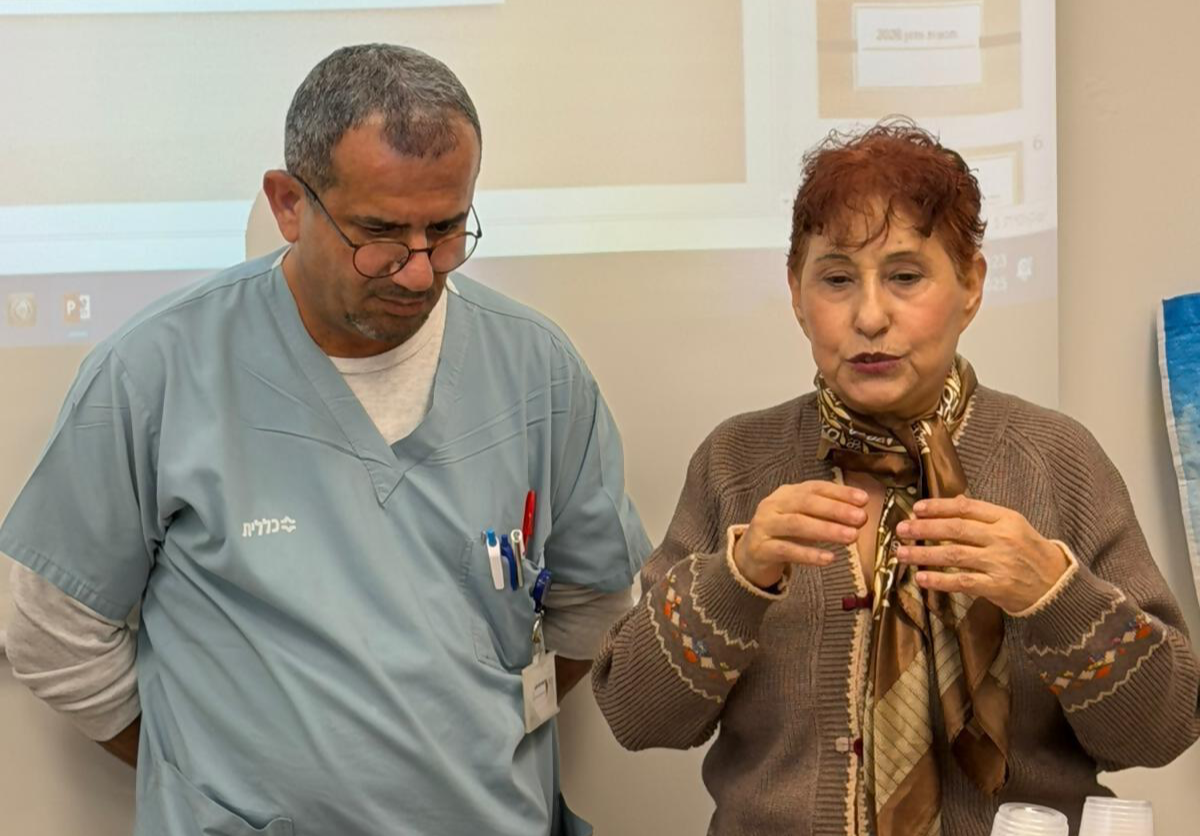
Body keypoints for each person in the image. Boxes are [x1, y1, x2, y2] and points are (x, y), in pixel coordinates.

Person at [2, 43, 650, 835]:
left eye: (446, 229)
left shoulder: (535, 370)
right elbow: (51, 632)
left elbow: (596, 606)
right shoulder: (156, 372)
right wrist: (201, 767)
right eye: (380, 233)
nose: (419, 271)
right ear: (288, 203)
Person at [592, 119, 1200, 835]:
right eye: (836, 279)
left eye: (906, 276)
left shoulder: (1058, 460)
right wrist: (738, 576)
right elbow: (636, 716)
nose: (870, 316)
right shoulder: (736, 461)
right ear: (796, 294)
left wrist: (1054, 593)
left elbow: (1161, 732)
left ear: (971, 285)